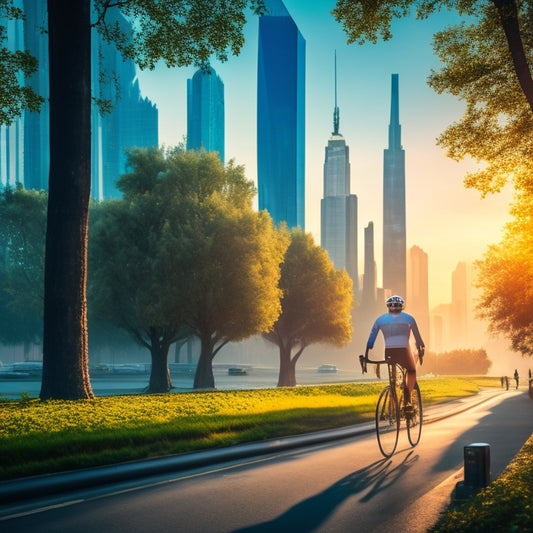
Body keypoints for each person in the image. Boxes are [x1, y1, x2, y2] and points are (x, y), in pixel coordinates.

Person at [364, 295, 425, 406]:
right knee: (411, 370)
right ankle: (408, 400)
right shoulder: (409, 318)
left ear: (388, 307)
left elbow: (371, 339)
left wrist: (367, 353)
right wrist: (421, 348)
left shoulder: (380, 319)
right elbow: (418, 338)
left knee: (392, 376)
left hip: (389, 351)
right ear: (402, 307)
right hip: (404, 350)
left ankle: (392, 401)